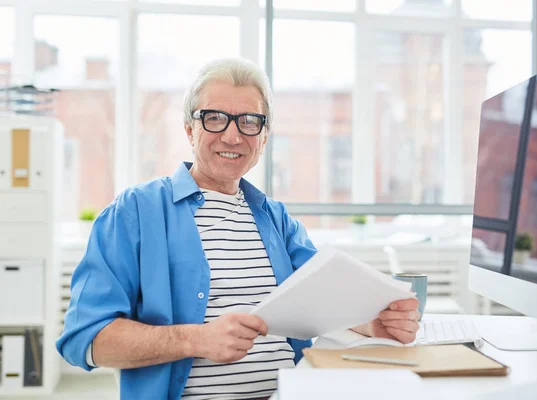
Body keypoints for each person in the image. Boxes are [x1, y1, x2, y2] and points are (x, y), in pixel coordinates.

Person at [56, 58, 420, 400]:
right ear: (189, 129)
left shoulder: (275, 218)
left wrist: (372, 324)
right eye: (215, 118)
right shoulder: (135, 212)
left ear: (263, 138)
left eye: (249, 121)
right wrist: (196, 340)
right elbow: (84, 339)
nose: (232, 136)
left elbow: (325, 303)